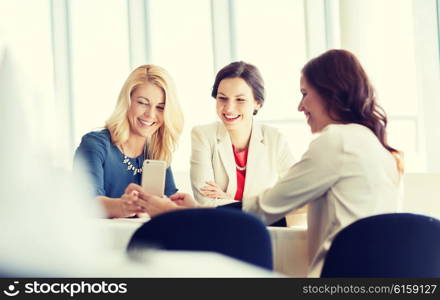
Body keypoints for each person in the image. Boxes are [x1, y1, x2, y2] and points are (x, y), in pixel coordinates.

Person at [74, 64, 184, 218]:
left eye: (160, 107)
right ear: (127, 101)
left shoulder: (157, 152)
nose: (150, 114)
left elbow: (170, 208)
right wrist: (124, 206)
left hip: (144, 239)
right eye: (142, 103)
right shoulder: (95, 145)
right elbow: (88, 202)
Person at [191, 61, 296, 211]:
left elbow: (296, 197)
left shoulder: (275, 140)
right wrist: (259, 205)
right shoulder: (203, 136)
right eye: (222, 98)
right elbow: (206, 202)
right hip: (220, 229)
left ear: (257, 103)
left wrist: (228, 200)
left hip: (264, 231)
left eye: (240, 99)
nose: (229, 108)